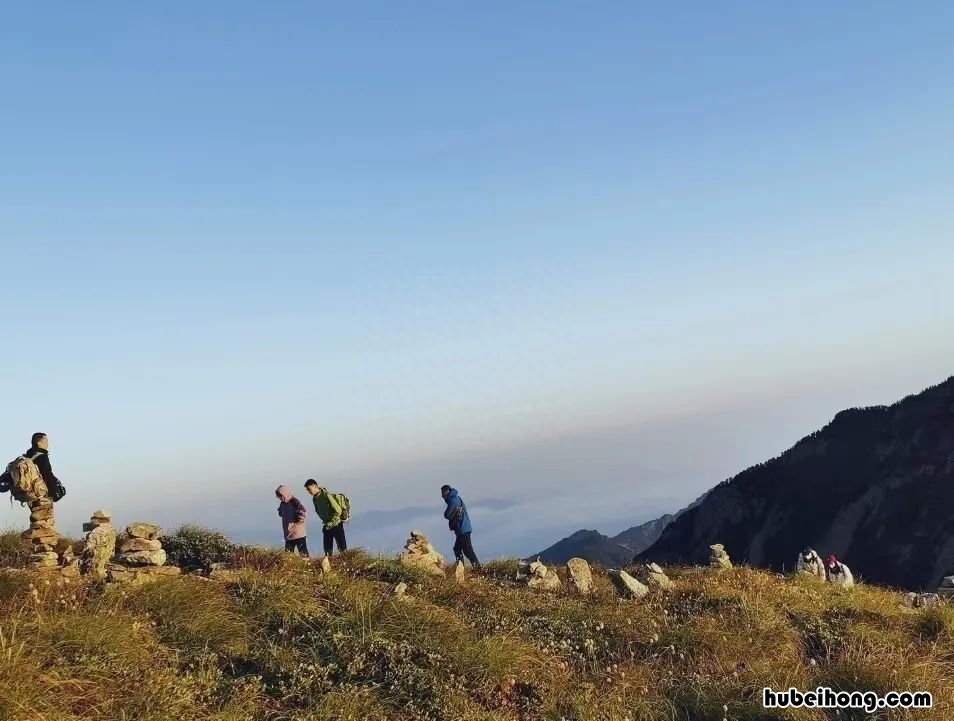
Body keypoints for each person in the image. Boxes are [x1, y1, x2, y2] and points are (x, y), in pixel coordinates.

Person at [304, 479, 347, 556]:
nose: (309, 492)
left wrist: (332, 521)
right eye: (307, 490)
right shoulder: (315, 498)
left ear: (315, 486)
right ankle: (329, 565)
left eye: (309, 489)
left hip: (336, 524)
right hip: (327, 525)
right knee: (327, 551)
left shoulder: (326, 495)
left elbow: (338, 510)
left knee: (342, 550)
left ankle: (348, 564)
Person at [441, 484, 479, 569]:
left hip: (463, 529)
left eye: (443, 494)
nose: (443, 497)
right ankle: (461, 567)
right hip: (462, 529)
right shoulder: (455, 498)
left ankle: (478, 569)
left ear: (447, 493)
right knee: (457, 549)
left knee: (468, 550)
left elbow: (447, 514)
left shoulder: (453, 501)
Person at [275, 485, 309, 556]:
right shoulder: (283, 503)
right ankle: (290, 566)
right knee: (288, 555)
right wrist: (281, 512)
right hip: (288, 534)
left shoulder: (294, 501)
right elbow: (280, 512)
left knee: (303, 553)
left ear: (285, 494)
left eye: (281, 496)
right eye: (279, 497)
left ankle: (307, 565)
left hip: (298, 533)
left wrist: (300, 519)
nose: (280, 498)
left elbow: (303, 510)